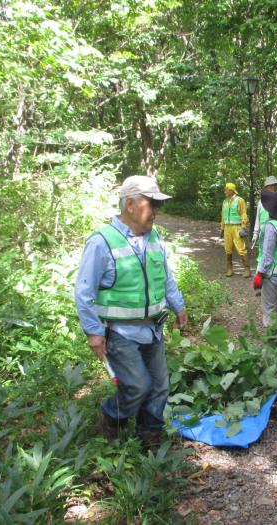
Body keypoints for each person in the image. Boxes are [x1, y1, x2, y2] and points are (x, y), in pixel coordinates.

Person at [75, 175, 188, 445]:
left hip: (153, 328)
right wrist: (93, 331)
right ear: (130, 204)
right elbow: (84, 291)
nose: (157, 212)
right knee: (138, 385)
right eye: (152, 204)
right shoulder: (102, 242)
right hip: (120, 332)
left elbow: (165, 276)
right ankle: (111, 416)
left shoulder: (155, 237)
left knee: (160, 386)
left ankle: (149, 433)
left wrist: (178, 305)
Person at [252, 189, 277, 337]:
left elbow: (268, 255)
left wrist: (260, 274)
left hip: (271, 274)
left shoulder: (271, 226)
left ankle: (272, 341)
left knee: (268, 308)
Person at [220, 182, 251, 277]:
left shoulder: (239, 200)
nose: (225, 191)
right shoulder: (225, 201)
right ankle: (229, 269)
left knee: (241, 249)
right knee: (227, 249)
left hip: (237, 227)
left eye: (226, 189)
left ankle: (247, 270)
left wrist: (243, 226)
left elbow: (243, 213)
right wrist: (222, 228)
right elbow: (223, 216)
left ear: (231, 190)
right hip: (227, 228)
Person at [251, 175, 277, 249]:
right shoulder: (261, 201)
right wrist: (255, 233)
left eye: (274, 186)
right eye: (270, 186)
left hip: (276, 233)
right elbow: (258, 218)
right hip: (263, 234)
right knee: (262, 256)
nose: (272, 188)